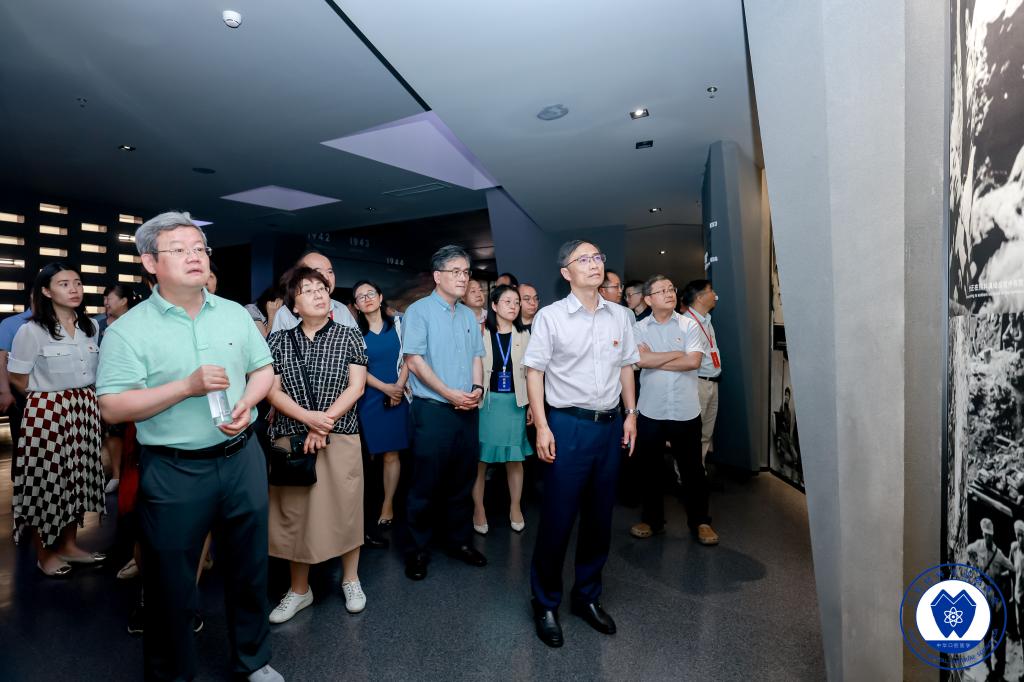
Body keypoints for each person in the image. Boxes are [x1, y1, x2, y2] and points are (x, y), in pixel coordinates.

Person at [96, 211, 281, 682]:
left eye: (200, 248)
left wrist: (247, 401)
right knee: (170, 583)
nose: (195, 256)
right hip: (175, 469)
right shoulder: (128, 330)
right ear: (150, 262)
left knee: (250, 568)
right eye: (179, 250)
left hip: (242, 457)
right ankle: (172, 673)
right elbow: (113, 407)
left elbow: (263, 369)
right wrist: (185, 387)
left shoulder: (234, 313)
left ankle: (253, 660)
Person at [523, 240, 639, 648]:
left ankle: (587, 596)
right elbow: (534, 372)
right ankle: (545, 602)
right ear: (566, 273)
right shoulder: (551, 317)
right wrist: (542, 426)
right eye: (583, 259)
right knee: (558, 519)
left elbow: (626, 367)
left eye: (597, 258)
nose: (594, 264)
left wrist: (631, 413)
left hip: (609, 427)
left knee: (599, 519)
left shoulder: (620, 316)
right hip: (567, 425)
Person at [265, 266, 369, 622]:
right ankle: (299, 590)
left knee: (347, 507)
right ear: (294, 305)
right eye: (307, 290)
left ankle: (351, 580)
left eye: (322, 288)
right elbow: (272, 391)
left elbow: (356, 387)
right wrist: (308, 419)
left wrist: (323, 422)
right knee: (296, 514)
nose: (318, 294)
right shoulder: (279, 341)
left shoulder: (349, 335)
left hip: (340, 434)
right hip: (293, 438)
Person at [7, 264, 105, 576]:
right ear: (46, 291)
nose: (74, 289)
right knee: (46, 484)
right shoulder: (31, 330)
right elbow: (17, 377)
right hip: (47, 410)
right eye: (64, 284)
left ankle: (69, 546)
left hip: (84, 408)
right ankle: (45, 554)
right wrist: (47, 399)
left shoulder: (91, 326)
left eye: (78, 282)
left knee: (77, 479)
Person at [401, 245, 487, 581]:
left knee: (462, 481)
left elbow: (477, 356)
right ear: (438, 276)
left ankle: (459, 542)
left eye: (466, 272)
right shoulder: (418, 311)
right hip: (433, 410)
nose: (463, 278)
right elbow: (414, 361)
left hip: (467, 410)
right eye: (456, 271)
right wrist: (449, 393)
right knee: (424, 483)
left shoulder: (468, 315)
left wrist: (477, 389)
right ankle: (418, 550)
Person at [628, 276, 718, 545]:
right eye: (661, 291)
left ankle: (700, 522)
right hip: (651, 410)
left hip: (685, 410)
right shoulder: (639, 328)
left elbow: (693, 362)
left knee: (693, 470)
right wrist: (676, 353)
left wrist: (653, 360)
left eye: (671, 289)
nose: (669, 293)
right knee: (650, 470)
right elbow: (639, 359)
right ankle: (652, 520)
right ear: (648, 299)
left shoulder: (689, 325)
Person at [352, 279, 410, 548]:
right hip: (369, 397)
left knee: (392, 453)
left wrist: (397, 387)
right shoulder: (354, 333)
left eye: (370, 293)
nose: (367, 298)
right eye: (360, 296)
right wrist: (386, 388)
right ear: (356, 305)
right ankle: (367, 507)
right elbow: (357, 368)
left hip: (399, 394)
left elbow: (410, 357)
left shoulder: (399, 325)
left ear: (380, 296)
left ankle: (388, 504)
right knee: (368, 455)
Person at [472, 285, 533, 535]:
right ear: (494, 306)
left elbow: (532, 375)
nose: (513, 306)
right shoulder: (481, 332)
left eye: (517, 302)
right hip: (486, 404)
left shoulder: (525, 335)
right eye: (507, 301)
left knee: (515, 459)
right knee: (481, 460)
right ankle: (478, 509)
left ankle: (515, 507)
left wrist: (531, 404)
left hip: (514, 405)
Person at [94, 284, 142, 494]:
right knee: (111, 431)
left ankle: (133, 474)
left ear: (124, 301)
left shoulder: (137, 322)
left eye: (109, 298)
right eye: (104, 298)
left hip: (132, 386)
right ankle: (115, 474)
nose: (106, 303)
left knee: (132, 433)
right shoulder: (96, 324)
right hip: (104, 385)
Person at [681, 280, 722, 463]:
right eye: (711, 291)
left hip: (712, 382)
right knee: (692, 433)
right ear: (699, 297)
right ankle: (685, 473)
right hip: (696, 383)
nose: (715, 295)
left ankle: (700, 469)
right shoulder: (687, 323)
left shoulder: (707, 320)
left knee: (706, 433)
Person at [967, 518, 1013, 681]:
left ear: (993, 536)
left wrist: (1003, 577)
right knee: (985, 637)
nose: (987, 538)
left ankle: (999, 672)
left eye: (990, 535)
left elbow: (1011, 568)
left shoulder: (998, 554)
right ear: (983, 533)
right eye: (985, 535)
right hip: (983, 599)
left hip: (996, 600)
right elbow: (967, 551)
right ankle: (988, 669)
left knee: (998, 637)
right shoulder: (977, 546)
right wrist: (974, 565)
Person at [269, 251, 357, 332]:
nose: (326, 277)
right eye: (317, 272)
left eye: (330, 271)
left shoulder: (342, 310)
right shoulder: (285, 314)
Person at [0, 303, 32, 484]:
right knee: (22, 441)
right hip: (21, 392)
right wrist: (5, 391)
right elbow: (1, 361)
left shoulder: (57, 322)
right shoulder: (11, 323)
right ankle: (21, 488)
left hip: (50, 393)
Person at [1011, 520, 1024, 641]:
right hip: (1018, 596)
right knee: (1020, 627)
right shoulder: (1014, 549)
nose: (1018, 538)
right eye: (1017, 534)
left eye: (1021, 535)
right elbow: (1011, 571)